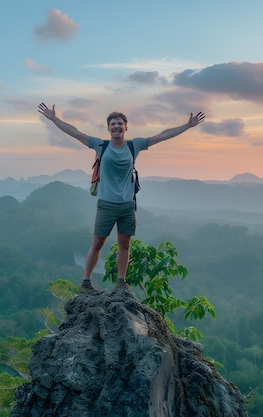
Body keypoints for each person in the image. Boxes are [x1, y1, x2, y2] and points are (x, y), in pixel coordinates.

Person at [38, 102, 205, 294]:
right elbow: (74, 132)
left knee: (124, 243)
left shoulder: (135, 146)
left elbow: (163, 135)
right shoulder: (101, 145)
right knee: (98, 243)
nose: (116, 127)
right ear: (108, 128)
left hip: (127, 205)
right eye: (112, 124)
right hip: (106, 204)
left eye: (119, 124)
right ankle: (86, 282)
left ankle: (121, 281)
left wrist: (187, 125)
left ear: (126, 127)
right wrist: (53, 118)